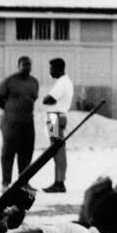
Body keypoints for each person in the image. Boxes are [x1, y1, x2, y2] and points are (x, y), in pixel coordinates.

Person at [0, 56, 39, 191]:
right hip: (11, 123)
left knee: (26, 153)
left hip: (27, 123)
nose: (27, 67)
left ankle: (23, 182)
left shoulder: (34, 82)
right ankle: (5, 183)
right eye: (24, 64)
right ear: (18, 66)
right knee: (8, 152)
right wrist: (10, 112)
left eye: (29, 65)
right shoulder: (9, 81)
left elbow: (33, 99)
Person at [40, 58, 73, 194]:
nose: (50, 71)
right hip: (57, 116)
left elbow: (49, 99)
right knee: (57, 151)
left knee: (57, 151)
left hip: (55, 118)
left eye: (51, 68)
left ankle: (59, 183)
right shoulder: (65, 82)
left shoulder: (62, 83)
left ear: (59, 68)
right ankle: (58, 181)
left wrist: (45, 98)